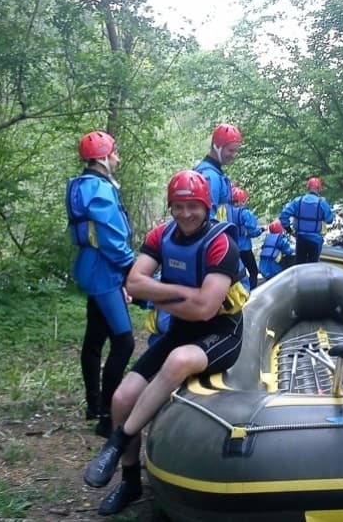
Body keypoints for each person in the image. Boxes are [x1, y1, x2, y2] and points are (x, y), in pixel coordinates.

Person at [82, 170, 249, 516]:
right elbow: (134, 282)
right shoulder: (162, 235)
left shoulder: (222, 243)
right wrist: (181, 294)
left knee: (176, 362)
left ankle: (116, 443)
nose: (185, 214)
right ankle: (129, 482)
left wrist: (157, 295)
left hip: (222, 333)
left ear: (206, 206)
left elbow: (206, 310)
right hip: (180, 330)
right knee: (122, 398)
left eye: (193, 206)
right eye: (178, 206)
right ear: (170, 207)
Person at [65, 131, 136, 438]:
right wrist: (132, 269)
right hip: (104, 273)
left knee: (95, 337)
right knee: (124, 342)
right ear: (103, 158)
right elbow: (111, 240)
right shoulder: (100, 190)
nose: (118, 158)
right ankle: (107, 416)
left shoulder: (81, 184)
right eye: (115, 153)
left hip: (91, 268)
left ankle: (93, 404)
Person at [279, 177, 334, 264]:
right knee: (312, 266)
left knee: (300, 265)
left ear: (308, 188)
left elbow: (283, 216)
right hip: (315, 240)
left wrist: (289, 230)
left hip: (300, 238)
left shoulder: (298, 201)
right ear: (319, 188)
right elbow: (330, 220)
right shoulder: (322, 202)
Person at [194, 123, 242, 220]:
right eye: (230, 150)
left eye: (236, 151)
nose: (234, 155)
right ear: (216, 147)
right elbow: (207, 218)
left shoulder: (214, 173)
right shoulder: (210, 177)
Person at [225, 186, 264, 289]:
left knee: (237, 274)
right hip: (245, 248)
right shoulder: (244, 212)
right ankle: (253, 292)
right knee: (253, 271)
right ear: (242, 201)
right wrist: (261, 230)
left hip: (231, 248)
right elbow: (253, 230)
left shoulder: (225, 211)